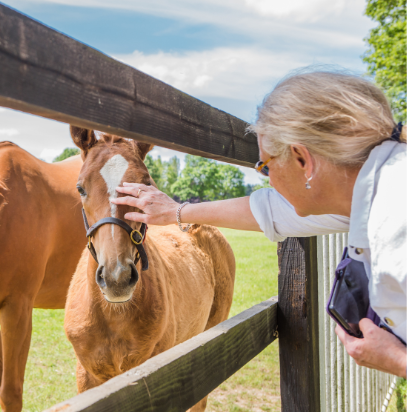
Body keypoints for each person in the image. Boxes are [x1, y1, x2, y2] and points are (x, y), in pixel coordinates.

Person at [111, 70, 407, 378]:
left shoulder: (396, 219)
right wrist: (176, 211)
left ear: (301, 159)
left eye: (265, 167)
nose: (266, 180)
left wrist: (396, 359)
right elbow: (270, 211)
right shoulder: (370, 189)